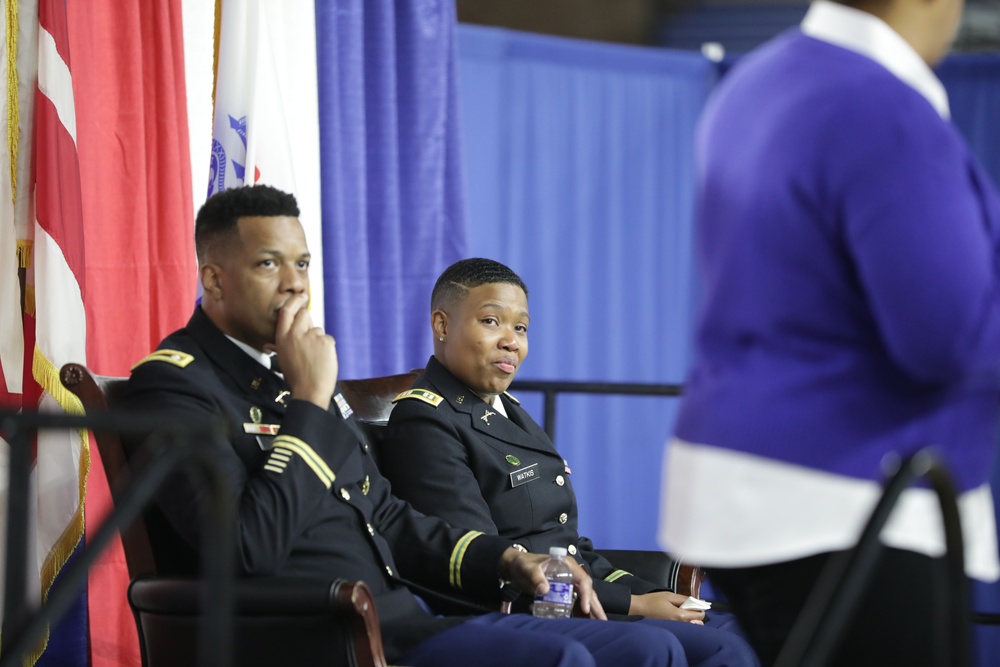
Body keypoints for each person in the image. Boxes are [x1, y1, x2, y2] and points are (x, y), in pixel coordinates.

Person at [120, 184, 696, 667]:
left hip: (404, 620)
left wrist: (507, 560)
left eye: (302, 264)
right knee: (568, 659)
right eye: (269, 263)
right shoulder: (176, 386)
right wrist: (312, 401)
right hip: (316, 634)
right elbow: (245, 549)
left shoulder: (286, 381)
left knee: (653, 651)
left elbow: (391, 518)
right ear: (215, 281)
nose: (295, 283)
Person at [658, 0, 1000, 664]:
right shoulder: (885, 108)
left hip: (741, 491)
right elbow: (945, 338)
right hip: (847, 494)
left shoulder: (757, 83)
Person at [380, 257, 760, 667]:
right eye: (492, 321)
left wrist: (644, 592)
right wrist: (633, 603)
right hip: (528, 608)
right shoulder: (426, 418)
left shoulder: (504, 410)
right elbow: (486, 561)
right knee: (712, 649)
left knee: (740, 632)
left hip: (573, 593)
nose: (511, 341)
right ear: (442, 325)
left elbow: (568, 545)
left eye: (521, 328)